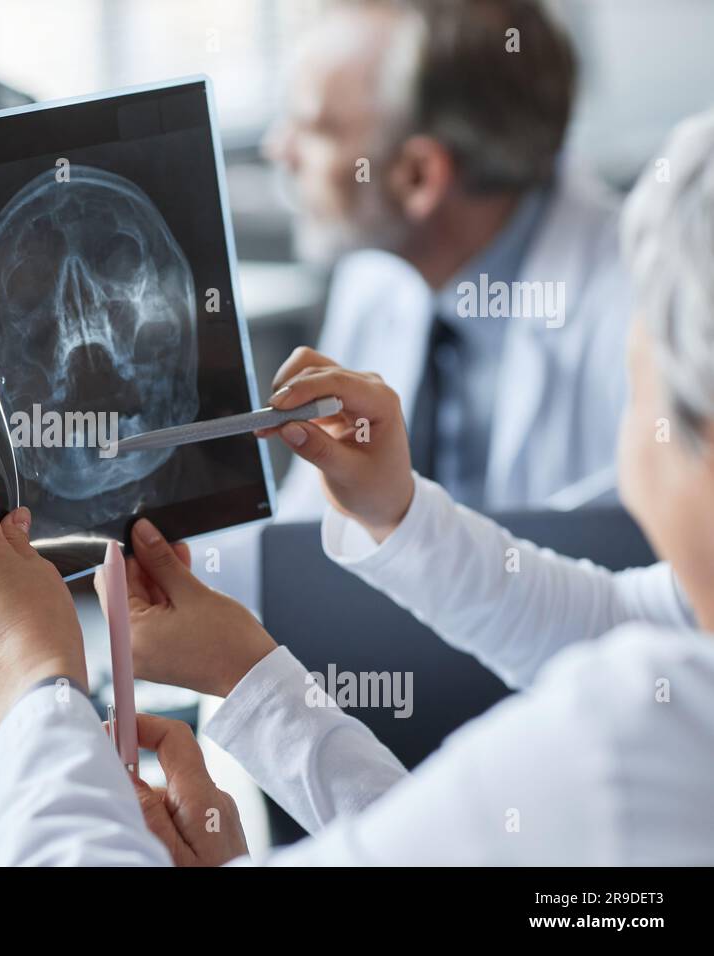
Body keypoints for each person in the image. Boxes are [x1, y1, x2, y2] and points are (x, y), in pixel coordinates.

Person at [0, 109, 714, 865]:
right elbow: (614, 622)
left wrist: (31, 690)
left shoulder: (627, 747)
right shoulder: (678, 683)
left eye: (638, 367)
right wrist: (261, 659)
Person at [208, 0, 630, 612]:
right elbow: (302, 541)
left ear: (418, 178)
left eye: (314, 127)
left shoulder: (639, 310)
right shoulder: (379, 276)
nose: (280, 150)